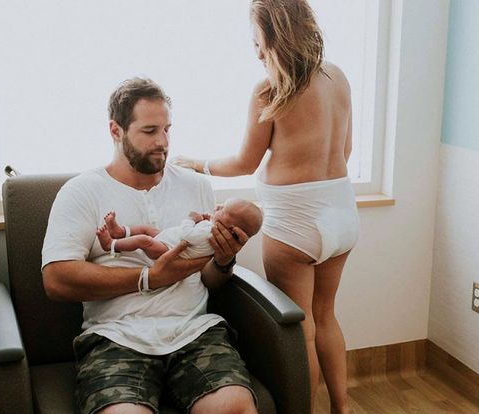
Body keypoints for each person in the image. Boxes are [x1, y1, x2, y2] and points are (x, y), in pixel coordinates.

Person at [173, 1, 358, 412]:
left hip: (297, 221)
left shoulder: (269, 88)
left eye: (260, 42)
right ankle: (342, 409)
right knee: (327, 315)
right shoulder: (338, 76)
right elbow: (345, 148)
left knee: (303, 329)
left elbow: (244, 162)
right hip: (343, 212)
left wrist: (195, 162)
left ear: (279, 36)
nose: (256, 52)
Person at [41, 77, 257, 414]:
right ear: (116, 130)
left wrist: (224, 261)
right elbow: (56, 279)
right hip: (116, 338)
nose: (163, 142)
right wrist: (150, 277)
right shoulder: (82, 192)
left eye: (168, 129)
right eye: (150, 131)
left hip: (193, 331)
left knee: (235, 407)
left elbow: (208, 278)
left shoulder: (197, 186)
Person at [95, 198, 263, 261]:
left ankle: (111, 243)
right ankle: (120, 232)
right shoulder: (213, 228)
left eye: (223, 209)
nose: (217, 207)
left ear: (231, 228)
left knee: (144, 240)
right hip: (167, 239)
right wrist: (207, 219)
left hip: (167, 251)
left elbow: (187, 235)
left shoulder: (209, 232)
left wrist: (191, 219)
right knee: (147, 229)